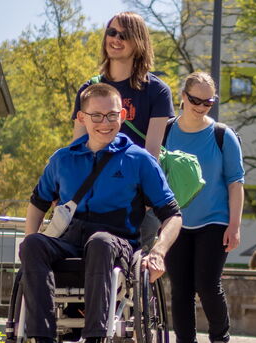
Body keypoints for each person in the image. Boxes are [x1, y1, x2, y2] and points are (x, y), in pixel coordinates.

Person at [14, 83, 182, 343]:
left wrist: (158, 251)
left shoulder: (139, 159)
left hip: (116, 239)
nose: (105, 123)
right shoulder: (62, 159)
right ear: (81, 118)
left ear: (124, 115)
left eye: (112, 115)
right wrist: (31, 238)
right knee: (32, 246)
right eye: (97, 116)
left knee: (100, 242)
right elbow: (38, 203)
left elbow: (173, 215)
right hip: (70, 238)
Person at [71, 11, 175, 251]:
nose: (115, 39)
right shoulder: (89, 88)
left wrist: (144, 197)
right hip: (93, 197)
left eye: (124, 35)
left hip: (134, 199)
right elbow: (78, 145)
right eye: (111, 32)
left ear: (138, 42)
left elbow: (152, 152)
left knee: (134, 273)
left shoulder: (157, 91)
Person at [164, 71, 245, 343]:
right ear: (182, 97)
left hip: (215, 220)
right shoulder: (167, 131)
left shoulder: (223, 136)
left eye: (208, 102)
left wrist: (234, 226)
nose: (201, 106)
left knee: (207, 283)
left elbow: (236, 184)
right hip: (175, 221)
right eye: (196, 100)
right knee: (180, 289)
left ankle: (221, 341)